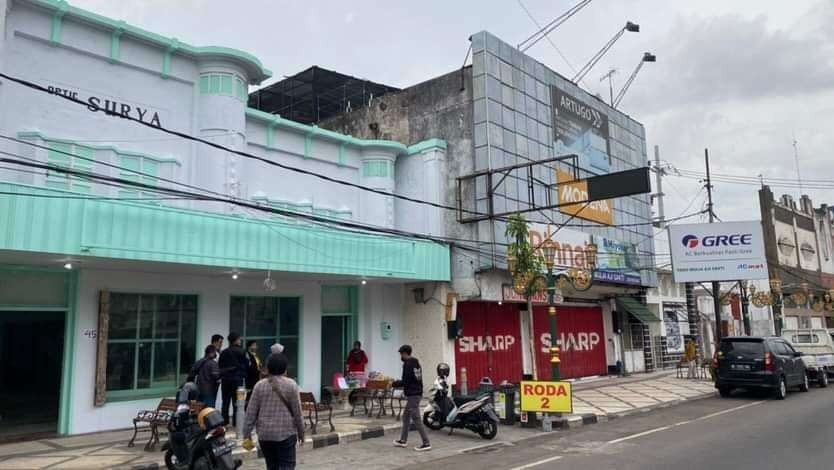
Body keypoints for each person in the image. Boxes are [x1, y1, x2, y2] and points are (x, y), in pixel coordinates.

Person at [242, 353, 304, 470]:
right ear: (285, 368)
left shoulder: (259, 385)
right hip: (286, 434)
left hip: (265, 435)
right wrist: (301, 432)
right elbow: (297, 412)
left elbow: (250, 413)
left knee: (271, 466)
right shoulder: (291, 385)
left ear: (268, 368)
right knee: (287, 465)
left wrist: (247, 434)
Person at [392, 344, 430, 451]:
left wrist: (393, 383)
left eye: (401, 353)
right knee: (406, 417)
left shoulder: (408, 364)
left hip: (413, 394)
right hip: (416, 393)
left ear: (404, 353)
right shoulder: (416, 363)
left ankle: (426, 443)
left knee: (416, 418)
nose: (400, 356)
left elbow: (405, 381)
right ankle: (403, 440)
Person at [218, 332, 248, 426]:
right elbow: (247, 365)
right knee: (237, 402)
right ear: (236, 340)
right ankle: (236, 422)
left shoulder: (224, 352)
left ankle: (224, 421)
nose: (240, 341)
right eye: (239, 339)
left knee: (225, 402)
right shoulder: (242, 351)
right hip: (237, 380)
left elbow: (220, 366)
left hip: (226, 380)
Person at [245, 340, 263, 409]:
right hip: (250, 379)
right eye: (255, 345)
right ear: (250, 346)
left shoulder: (255, 355)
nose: (256, 347)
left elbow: (258, 366)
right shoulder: (247, 355)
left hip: (256, 379)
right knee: (249, 396)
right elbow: (249, 367)